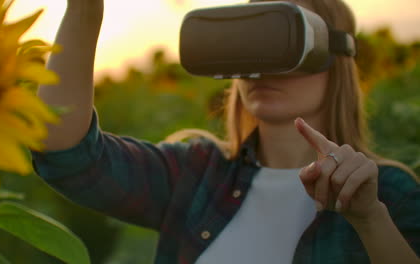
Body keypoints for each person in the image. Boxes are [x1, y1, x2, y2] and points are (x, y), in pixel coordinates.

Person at [31, 0, 420, 263]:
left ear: (336, 59)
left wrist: (370, 219)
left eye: (282, 43)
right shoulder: (197, 173)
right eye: (248, 44)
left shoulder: (388, 195)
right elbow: (69, 157)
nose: (261, 68)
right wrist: (84, 13)